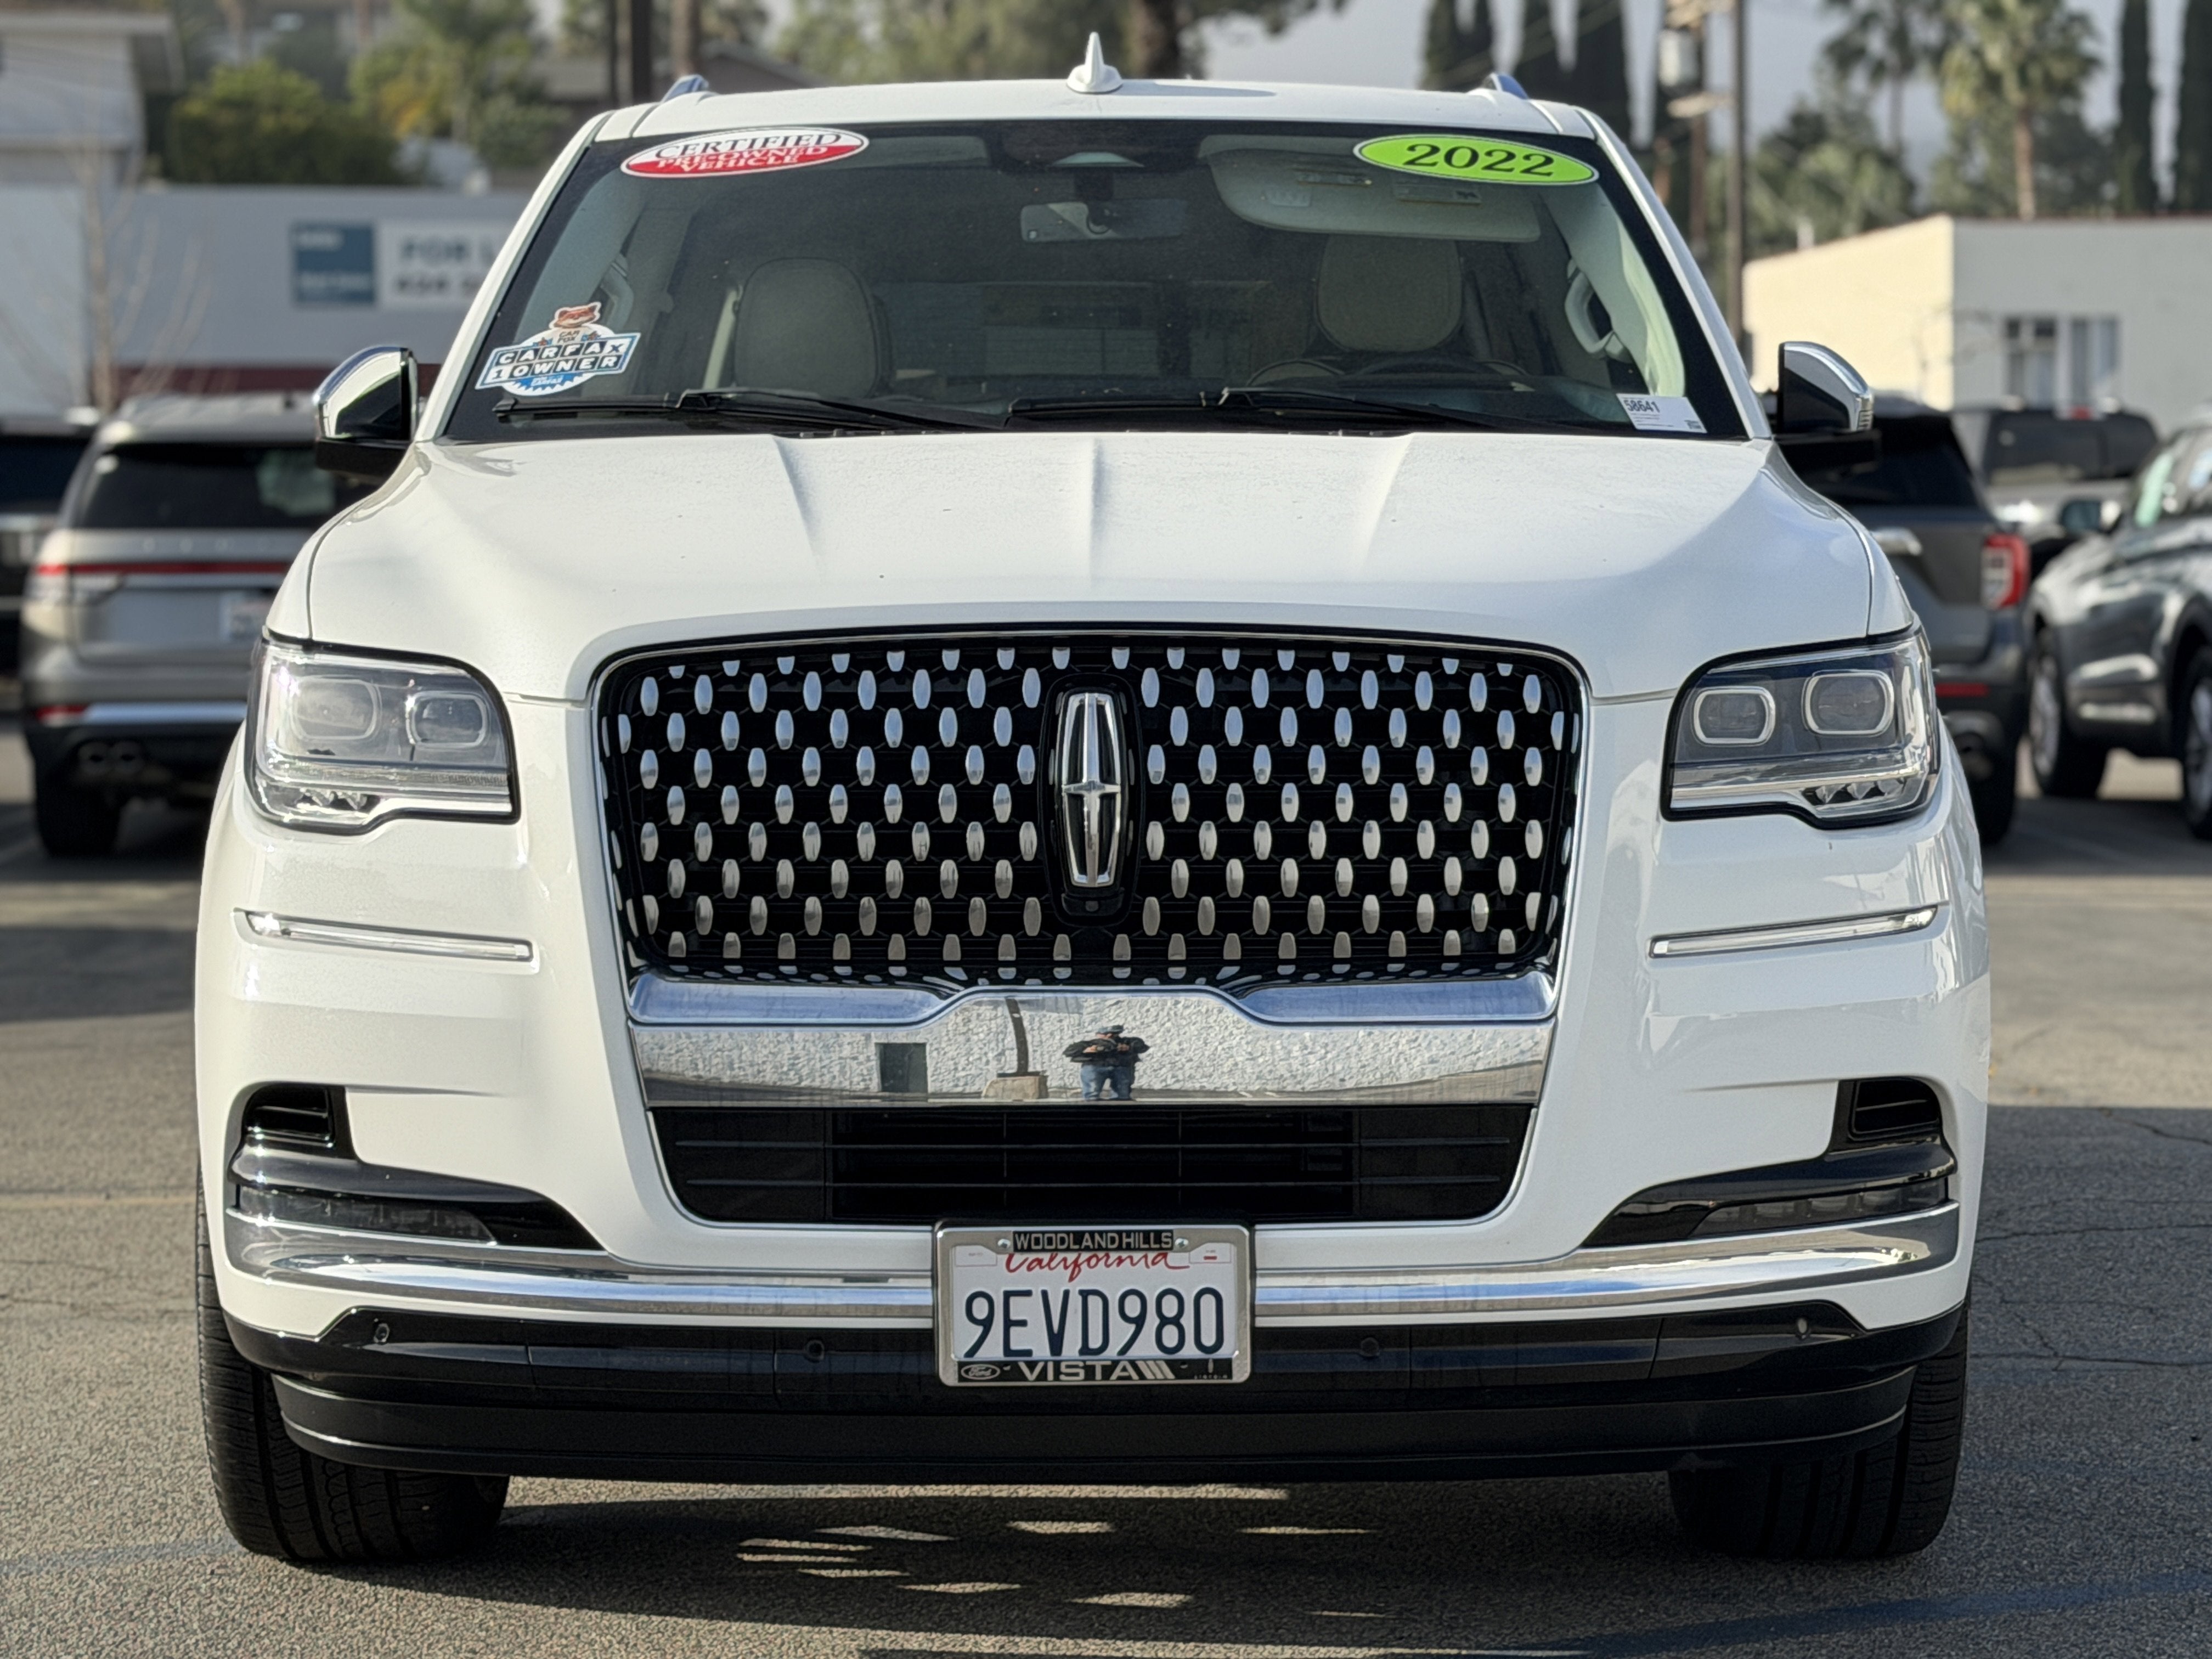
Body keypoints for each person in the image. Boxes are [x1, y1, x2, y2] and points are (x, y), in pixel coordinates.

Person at [1064, 1025, 1148, 1101]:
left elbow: (1141, 1046)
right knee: (1092, 1094)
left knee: (1122, 1095)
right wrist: (1090, 1049)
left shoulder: (1126, 1042)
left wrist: (1129, 1048)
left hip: (1121, 1067)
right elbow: (1069, 1051)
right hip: (1095, 1066)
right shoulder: (1091, 1043)